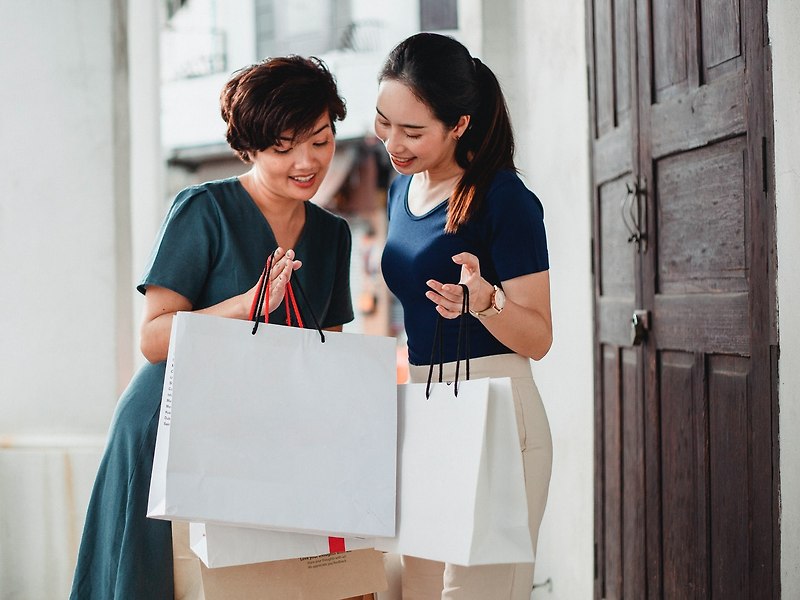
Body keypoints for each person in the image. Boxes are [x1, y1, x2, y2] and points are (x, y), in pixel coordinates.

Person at [70, 55, 354, 599]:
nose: (307, 161)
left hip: (259, 438)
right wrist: (248, 305)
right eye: (283, 147)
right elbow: (153, 339)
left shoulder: (332, 235)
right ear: (249, 147)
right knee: (160, 581)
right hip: (169, 431)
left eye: (320, 140)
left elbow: (325, 359)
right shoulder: (203, 209)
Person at [376, 32, 553, 600]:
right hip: (426, 407)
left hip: (495, 407)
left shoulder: (505, 198)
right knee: (420, 591)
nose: (393, 144)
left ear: (459, 125)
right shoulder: (400, 190)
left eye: (413, 131)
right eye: (385, 123)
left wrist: (486, 302)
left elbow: (540, 336)